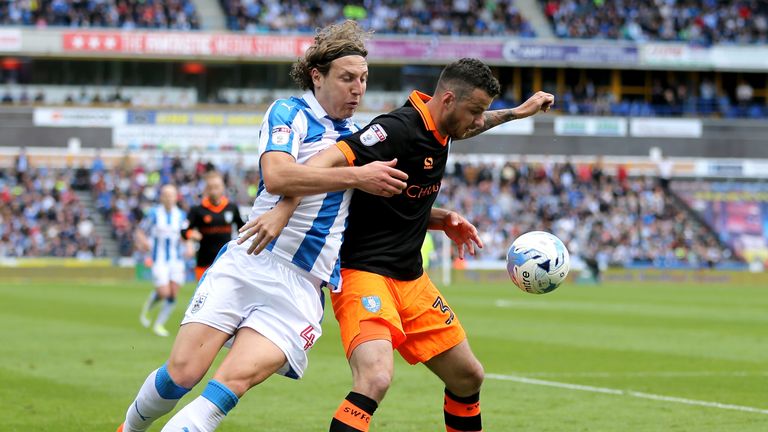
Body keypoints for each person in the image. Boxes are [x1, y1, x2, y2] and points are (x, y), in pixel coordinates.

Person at [116, 20, 408, 432]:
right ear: (317, 75)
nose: (357, 89)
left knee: (226, 387)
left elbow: (371, 199)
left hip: (302, 287)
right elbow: (278, 176)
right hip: (252, 260)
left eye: (363, 79)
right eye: (346, 78)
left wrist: (439, 218)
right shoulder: (291, 113)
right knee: (182, 373)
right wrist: (356, 177)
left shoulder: (361, 139)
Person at [239, 58, 554, 431]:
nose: (478, 121)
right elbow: (326, 161)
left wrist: (518, 113)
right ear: (449, 99)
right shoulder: (394, 129)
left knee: (468, 376)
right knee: (375, 379)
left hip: (411, 280)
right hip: (364, 274)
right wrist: (285, 207)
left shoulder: (442, 126)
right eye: (475, 111)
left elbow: (465, 129)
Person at [134, 184, 190, 337]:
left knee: (172, 294)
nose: (168, 198)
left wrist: (189, 246)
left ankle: (159, 324)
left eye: (171, 195)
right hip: (159, 260)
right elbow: (140, 231)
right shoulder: (153, 213)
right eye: (165, 195)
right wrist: (143, 241)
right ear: (161, 197)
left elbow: (187, 234)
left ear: (176, 197)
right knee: (164, 292)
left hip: (177, 260)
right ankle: (148, 306)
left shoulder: (181, 215)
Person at [181, 171, 245, 281]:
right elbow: (183, 230)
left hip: (225, 261)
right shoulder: (197, 210)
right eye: (210, 187)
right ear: (206, 189)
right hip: (203, 262)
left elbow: (242, 229)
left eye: (217, 187)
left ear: (223, 187)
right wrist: (191, 234)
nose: (214, 191)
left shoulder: (232, 208)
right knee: (203, 297)